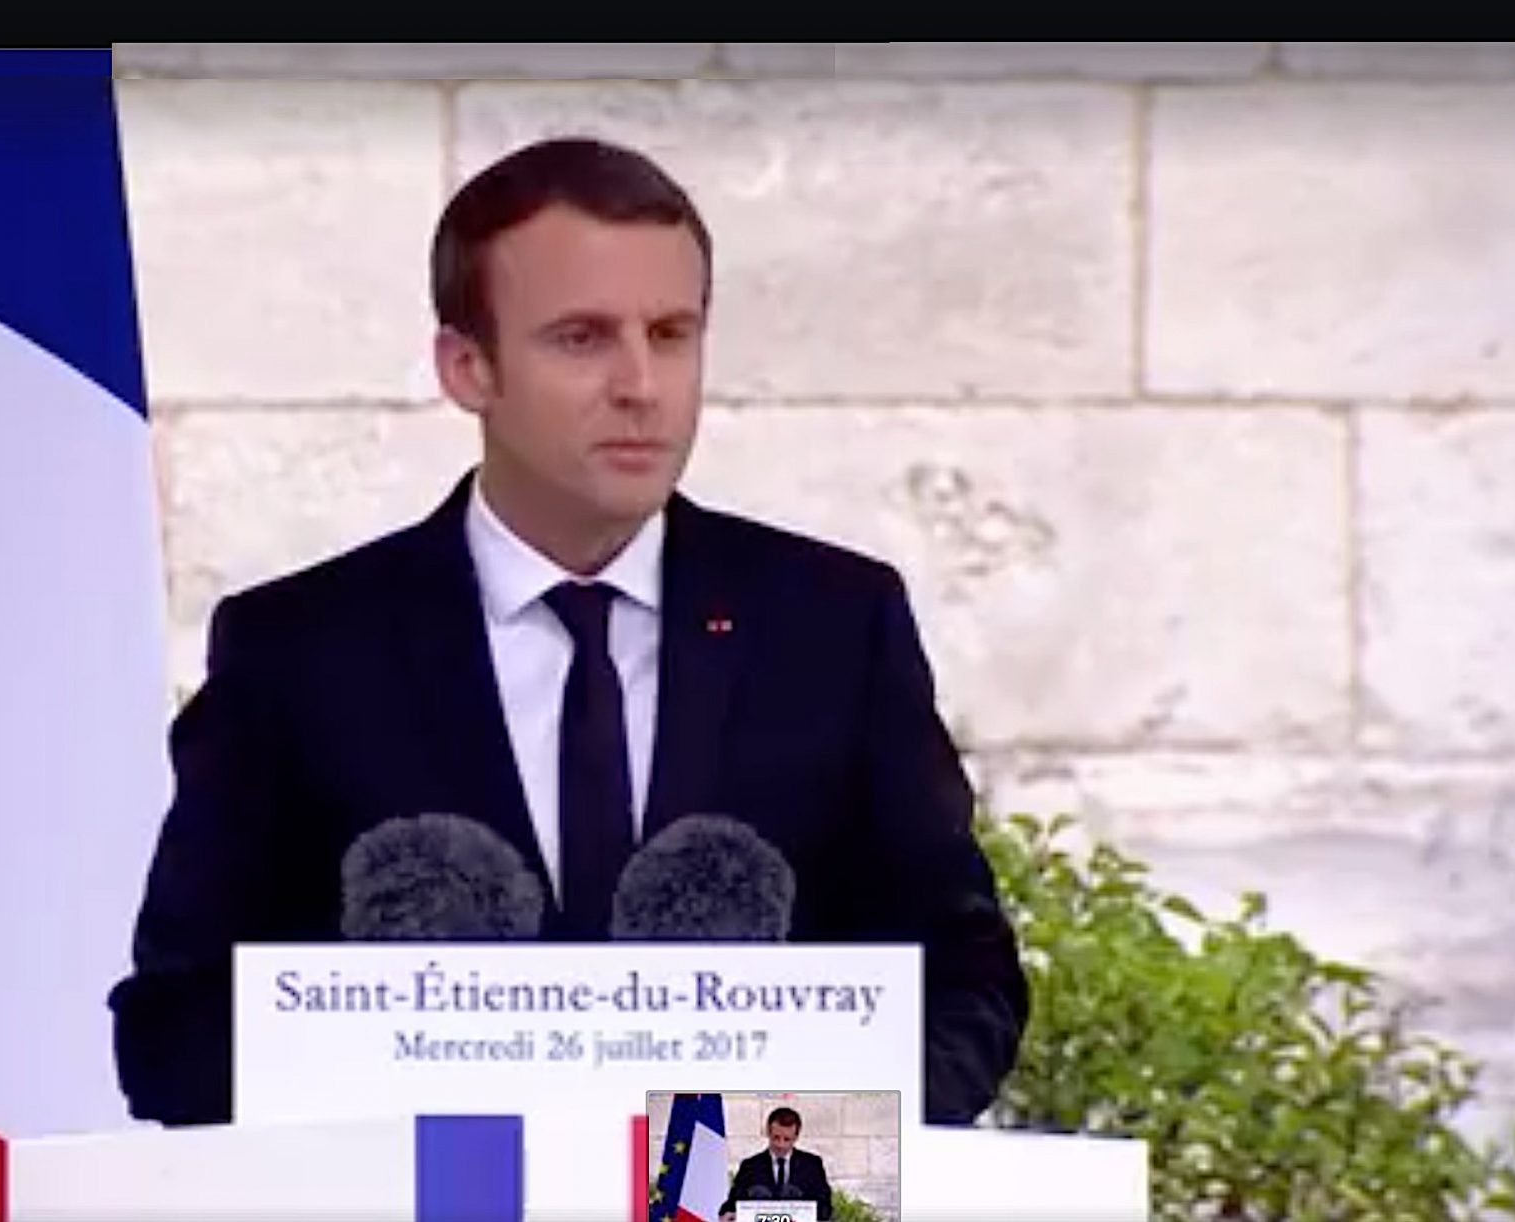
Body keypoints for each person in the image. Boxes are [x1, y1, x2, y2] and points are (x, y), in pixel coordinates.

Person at [109, 135, 1029, 1128]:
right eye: (582, 338)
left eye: (670, 333)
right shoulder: (298, 651)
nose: (641, 384)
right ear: (468, 367)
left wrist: (739, 1172)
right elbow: (176, 1028)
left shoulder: (834, 626)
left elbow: (961, 985)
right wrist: (415, 1140)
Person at [720, 1107, 832, 1221]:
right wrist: (728, 1214)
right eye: (776, 1138)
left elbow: (825, 1208)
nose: (780, 1145)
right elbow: (731, 1204)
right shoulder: (750, 1167)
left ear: (796, 1137)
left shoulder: (812, 1166)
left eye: (787, 1139)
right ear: (768, 1132)